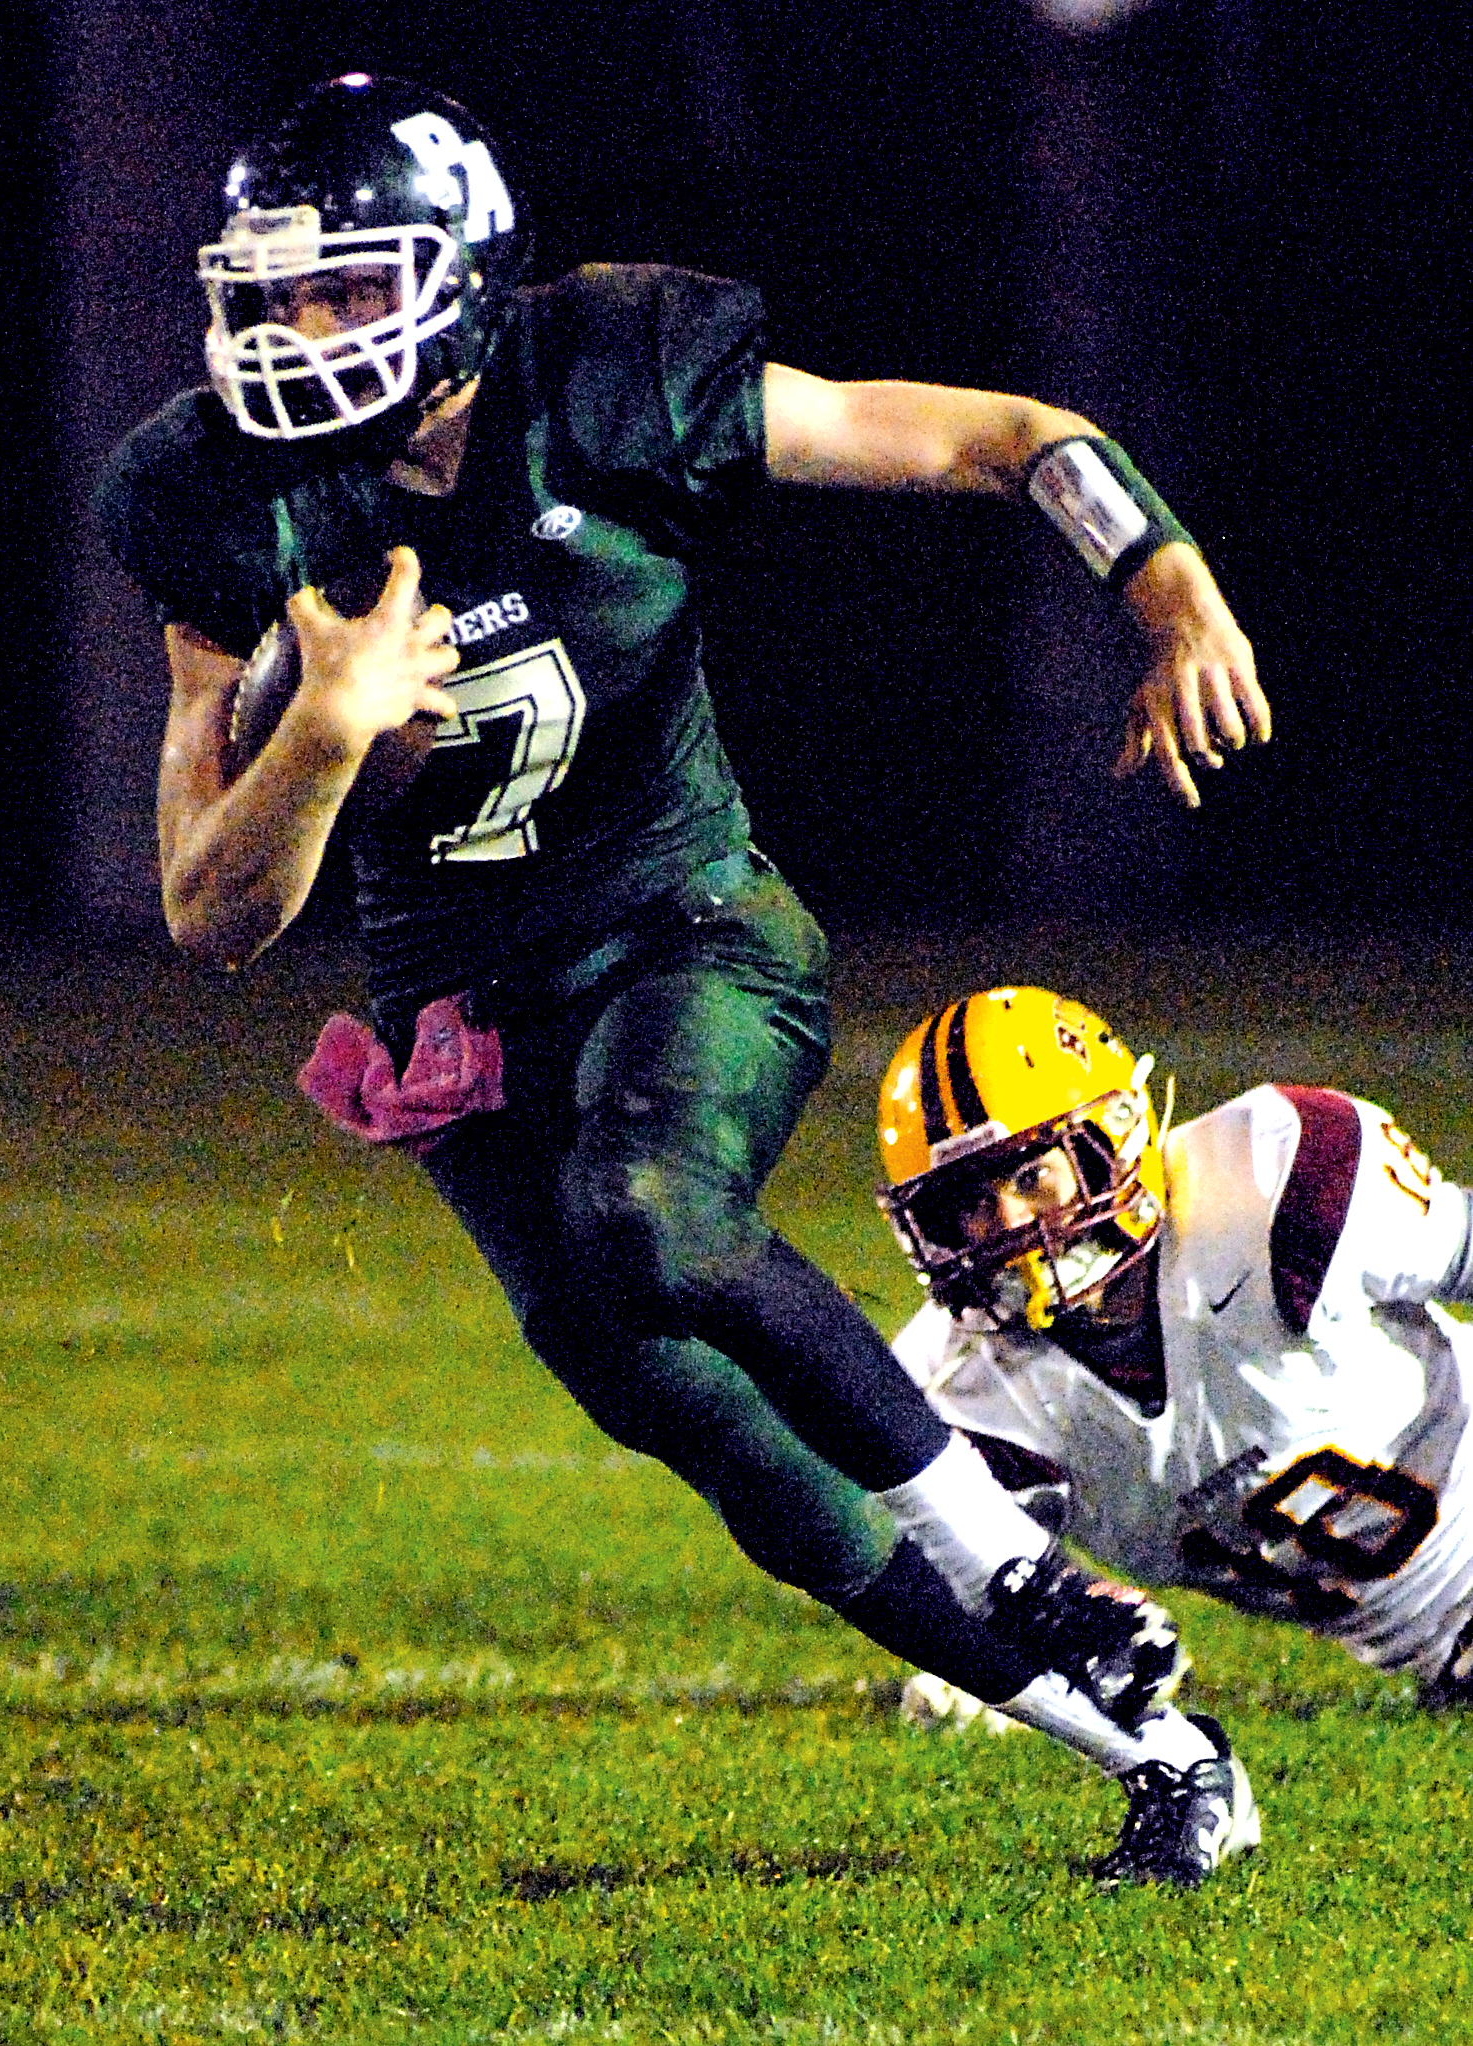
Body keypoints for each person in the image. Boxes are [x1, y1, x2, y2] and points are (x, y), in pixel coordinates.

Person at [95, 74, 1269, 1888]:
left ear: (463, 274)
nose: (297, 331)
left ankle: (1024, 1562)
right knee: (699, 1426)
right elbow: (210, 910)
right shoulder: (206, 490)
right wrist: (323, 737)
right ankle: (1162, 1751)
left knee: (652, 1213)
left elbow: (1004, 435)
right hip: (461, 1027)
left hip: (684, 928)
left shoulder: (609, 372)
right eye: (273, 292)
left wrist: (1169, 585)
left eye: (346, 287)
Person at [877, 985, 1473, 1774]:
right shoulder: (956, 1393)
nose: (1011, 1226)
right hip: (1437, 1646)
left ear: (1112, 1138)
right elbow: (979, 1589)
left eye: (1031, 1178)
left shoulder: (1281, 1178)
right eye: (969, 1207)